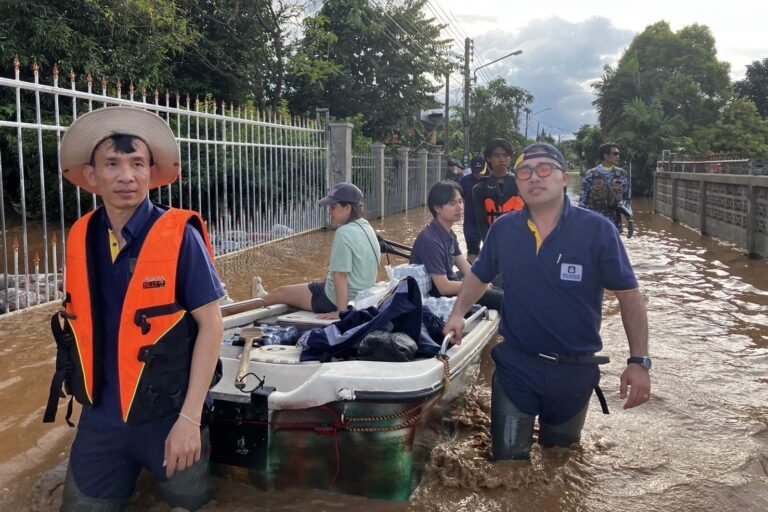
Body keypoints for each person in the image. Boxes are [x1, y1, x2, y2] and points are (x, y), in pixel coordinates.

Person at [44, 107, 225, 510]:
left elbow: (212, 327)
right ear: (92, 176)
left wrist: (190, 421)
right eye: (112, 164)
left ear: (150, 172)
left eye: (137, 164)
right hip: (102, 419)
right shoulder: (81, 236)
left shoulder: (181, 237)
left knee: (190, 505)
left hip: (169, 415)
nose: (126, 175)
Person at [444, 142, 651, 460]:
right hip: (517, 365)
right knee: (507, 467)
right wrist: (458, 313)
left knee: (561, 462)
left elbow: (629, 297)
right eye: (524, 171)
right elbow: (479, 276)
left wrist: (638, 362)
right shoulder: (504, 229)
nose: (534, 178)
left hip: (574, 371)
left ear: (564, 178)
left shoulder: (598, 231)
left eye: (544, 169)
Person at [252, 182, 381, 320]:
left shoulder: (343, 232)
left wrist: (341, 312)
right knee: (315, 284)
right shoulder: (367, 227)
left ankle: (249, 305)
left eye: (333, 207)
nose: (330, 212)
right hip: (361, 297)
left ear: (348, 208)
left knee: (280, 293)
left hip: (334, 300)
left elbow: (341, 275)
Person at [410, 181, 503, 311]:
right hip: (440, 300)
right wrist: (477, 286)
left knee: (503, 286)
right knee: (504, 300)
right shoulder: (430, 240)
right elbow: (444, 287)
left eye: (460, 201)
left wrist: (482, 282)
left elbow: (466, 267)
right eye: (452, 204)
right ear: (437, 208)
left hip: (456, 289)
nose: (459, 207)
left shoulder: (449, 233)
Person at [472, 138, 525, 240]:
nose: (502, 159)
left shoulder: (521, 183)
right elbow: (482, 223)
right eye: (497, 155)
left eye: (505, 155)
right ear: (488, 158)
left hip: (520, 239)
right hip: (493, 241)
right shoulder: (479, 189)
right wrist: (490, 246)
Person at [579, 143, 634, 236]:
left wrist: (630, 221)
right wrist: (581, 224)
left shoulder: (622, 174)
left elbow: (627, 200)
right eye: (615, 153)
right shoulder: (591, 174)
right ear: (605, 155)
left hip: (615, 224)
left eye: (618, 154)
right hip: (594, 224)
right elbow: (583, 200)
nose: (618, 156)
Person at [457, 155, 486, 261]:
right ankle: (470, 274)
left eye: (480, 171)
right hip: (470, 223)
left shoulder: (491, 180)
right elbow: (458, 199)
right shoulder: (464, 181)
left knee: (491, 252)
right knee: (472, 252)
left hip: (488, 223)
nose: (478, 175)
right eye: (475, 172)